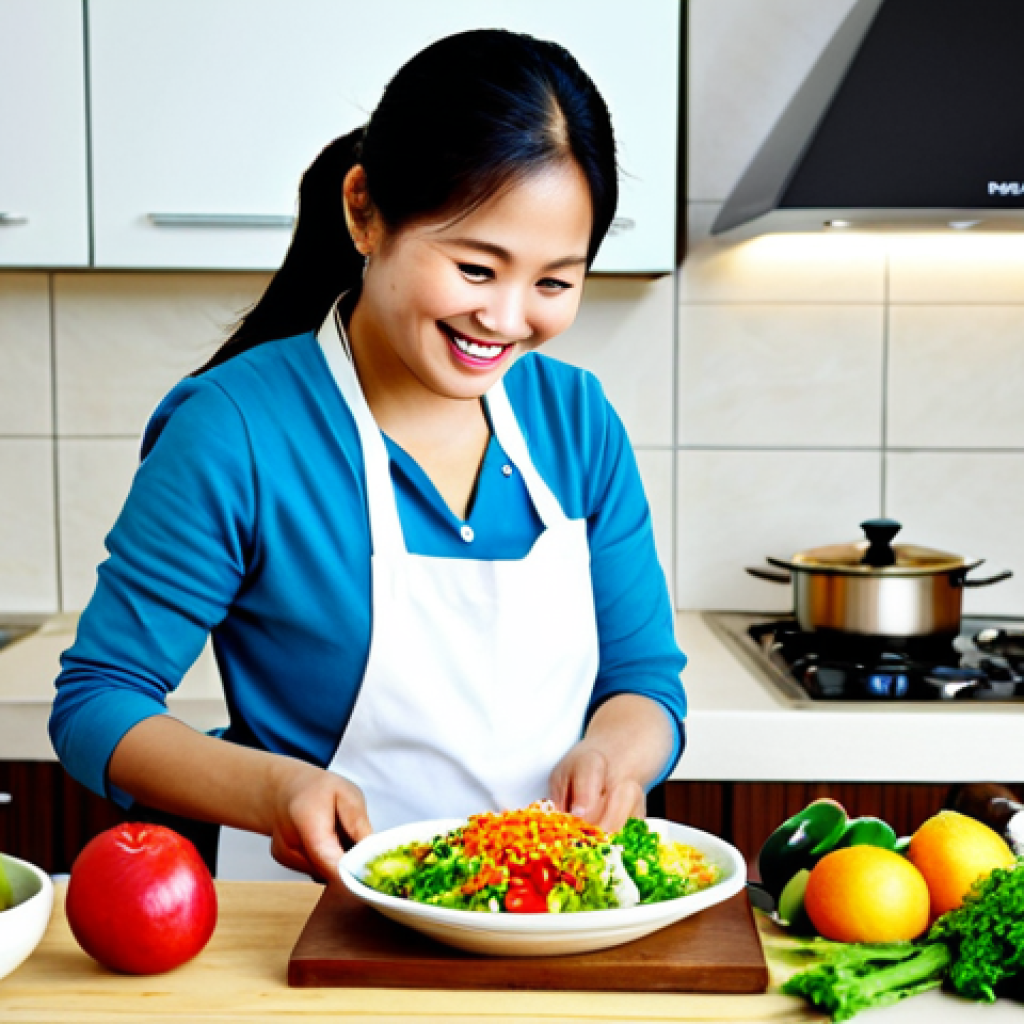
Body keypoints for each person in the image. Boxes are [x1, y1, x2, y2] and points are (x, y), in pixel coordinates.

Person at [50, 28, 687, 882]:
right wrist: (273, 789)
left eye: (552, 282)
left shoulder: (576, 422)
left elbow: (645, 682)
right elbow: (99, 701)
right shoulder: (236, 430)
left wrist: (615, 754)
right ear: (364, 210)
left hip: (550, 917)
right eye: (476, 268)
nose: (506, 319)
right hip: (310, 917)